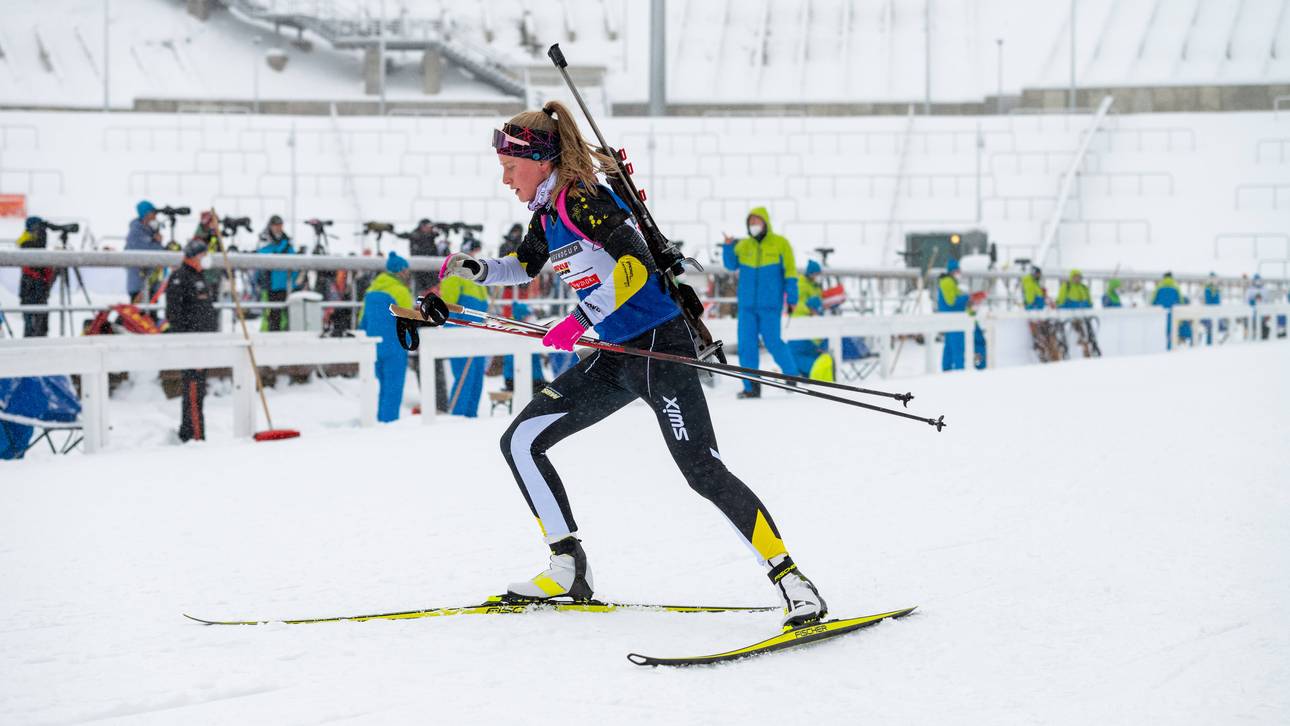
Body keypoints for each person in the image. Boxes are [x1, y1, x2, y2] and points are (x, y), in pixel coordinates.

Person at [433, 100, 827, 626]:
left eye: (510, 167)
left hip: (660, 347)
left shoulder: (585, 199)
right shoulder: (547, 213)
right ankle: (567, 566)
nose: (506, 179)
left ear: (541, 161)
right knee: (522, 441)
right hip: (615, 355)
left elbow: (634, 264)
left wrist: (581, 317)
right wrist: (474, 269)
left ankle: (794, 582)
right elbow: (522, 267)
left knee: (701, 470)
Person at [721, 206, 801, 399]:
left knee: (773, 342)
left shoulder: (781, 244)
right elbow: (730, 264)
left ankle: (792, 376)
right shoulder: (744, 246)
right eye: (751, 222)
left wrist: (792, 298)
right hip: (747, 306)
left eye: (757, 221)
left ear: (765, 222)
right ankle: (751, 387)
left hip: (770, 305)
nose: (753, 225)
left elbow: (790, 273)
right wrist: (728, 246)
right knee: (746, 346)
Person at [165, 239, 220, 442]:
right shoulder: (180, 278)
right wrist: (188, 342)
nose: (206, 259)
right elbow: (175, 314)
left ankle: (191, 432)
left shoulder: (200, 277)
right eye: (203, 255)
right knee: (194, 392)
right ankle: (194, 436)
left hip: (203, 343)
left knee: (198, 392)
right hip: (192, 345)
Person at [359, 252, 413, 423]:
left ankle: (381, 421)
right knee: (394, 389)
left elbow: (362, 322)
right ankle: (389, 424)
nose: (408, 273)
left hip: (374, 347)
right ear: (400, 271)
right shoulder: (401, 291)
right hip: (395, 346)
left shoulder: (371, 291)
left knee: (382, 387)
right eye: (406, 270)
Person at [439, 238, 489, 417]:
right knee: (465, 378)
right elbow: (448, 307)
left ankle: (471, 417)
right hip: (461, 335)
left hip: (477, 335)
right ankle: (458, 417)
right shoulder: (454, 276)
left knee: (476, 379)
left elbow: (482, 309)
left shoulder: (477, 282)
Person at [787, 259, 832, 381]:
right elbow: (795, 305)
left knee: (810, 352)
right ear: (810, 273)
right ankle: (807, 371)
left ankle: (810, 372)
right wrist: (809, 308)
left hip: (813, 324)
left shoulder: (815, 287)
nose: (817, 277)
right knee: (798, 353)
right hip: (800, 325)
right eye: (816, 274)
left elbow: (818, 303)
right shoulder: (801, 285)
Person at [256, 215, 295, 331]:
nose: (278, 228)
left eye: (280, 225)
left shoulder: (287, 242)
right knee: (270, 313)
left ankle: (282, 336)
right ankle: (268, 335)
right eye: (276, 225)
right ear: (271, 226)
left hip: (285, 285)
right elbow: (262, 255)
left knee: (284, 313)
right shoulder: (264, 240)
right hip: (269, 285)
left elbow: (294, 261)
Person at [17, 216, 54, 337]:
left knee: (40, 322)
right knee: (32, 324)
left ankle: (39, 337)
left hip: (37, 290)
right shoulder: (26, 243)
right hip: (31, 289)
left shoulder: (29, 242)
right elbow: (39, 246)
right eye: (39, 229)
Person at [501, 301, 547, 391]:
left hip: (525, 379)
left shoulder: (522, 331)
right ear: (522, 317)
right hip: (519, 379)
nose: (531, 319)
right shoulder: (517, 333)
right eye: (528, 316)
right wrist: (539, 381)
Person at [125, 200, 164, 304]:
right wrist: (158, 242)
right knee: (139, 317)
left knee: (150, 316)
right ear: (146, 215)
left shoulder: (149, 231)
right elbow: (151, 252)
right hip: (139, 286)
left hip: (151, 283)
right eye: (153, 213)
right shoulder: (136, 232)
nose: (155, 216)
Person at [936, 258, 968, 371]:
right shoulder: (947, 282)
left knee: (949, 348)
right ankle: (960, 372)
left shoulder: (950, 282)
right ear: (953, 271)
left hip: (951, 320)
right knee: (957, 348)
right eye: (957, 271)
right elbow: (952, 302)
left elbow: (956, 299)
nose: (959, 273)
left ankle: (947, 371)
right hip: (953, 320)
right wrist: (967, 298)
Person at [405, 218, 442, 295]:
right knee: (421, 296)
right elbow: (419, 254)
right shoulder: (416, 237)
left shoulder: (431, 238)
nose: (430, 229)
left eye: (431, 227)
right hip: (422, 275)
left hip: (432, 274)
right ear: (422, 227)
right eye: (428, 227)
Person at [1151, 271, 1183, 350]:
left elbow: (1153, 301)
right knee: (1172, 331)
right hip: (1173, 312)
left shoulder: (1158, 287)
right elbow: (1181, 301)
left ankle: (1161, 348)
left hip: (1161, 313)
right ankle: (1170, 348)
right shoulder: (1176, 287)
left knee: (1161, 331)